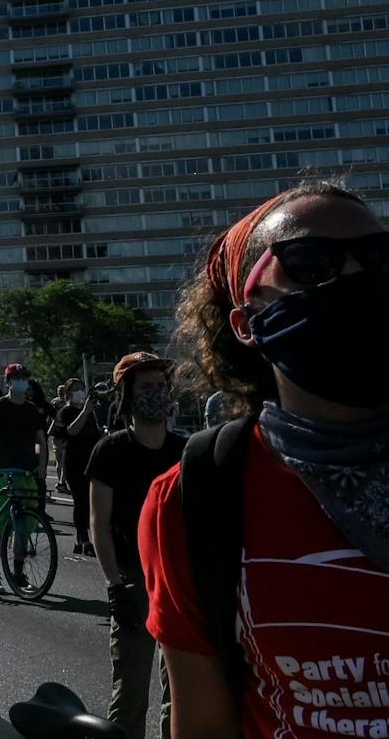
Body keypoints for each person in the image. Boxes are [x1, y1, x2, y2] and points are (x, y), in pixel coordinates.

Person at [141, 181, 389, 739]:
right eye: (309, 263)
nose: (355, 278)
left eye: (380, 258)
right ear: (246, 323)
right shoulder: (196, 496)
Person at [84, 351, 185, 739]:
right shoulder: (109, 452)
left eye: (161, 386)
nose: (156, 394)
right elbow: (100, 525)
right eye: (146, 387)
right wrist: (114, 587)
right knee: (129, 695)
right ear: (126, 395)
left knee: (180, 693)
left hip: (177, 584)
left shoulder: (185, 451)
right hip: (132, 581)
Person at [0, 361, 47, 596]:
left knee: (24, 527)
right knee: (0, 525)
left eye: (24, 377)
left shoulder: (32, 410)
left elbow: (41, 441)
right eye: (16, 377)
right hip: (2, 472)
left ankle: (18, 574)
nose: (21, 381)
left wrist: (41, 466)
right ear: (7, 382)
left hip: (26, 471)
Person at [52, 379, 101, 555]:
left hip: (90, 461)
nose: (80, 392)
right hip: (74, 461)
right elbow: (71, 431)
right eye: (75, 390)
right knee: (81, 501)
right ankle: (84, 539)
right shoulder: (65, 412)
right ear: (67, 395)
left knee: (93, 502)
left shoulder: (91, 414)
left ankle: (83, 540)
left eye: (81, 388)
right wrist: (85, 411)